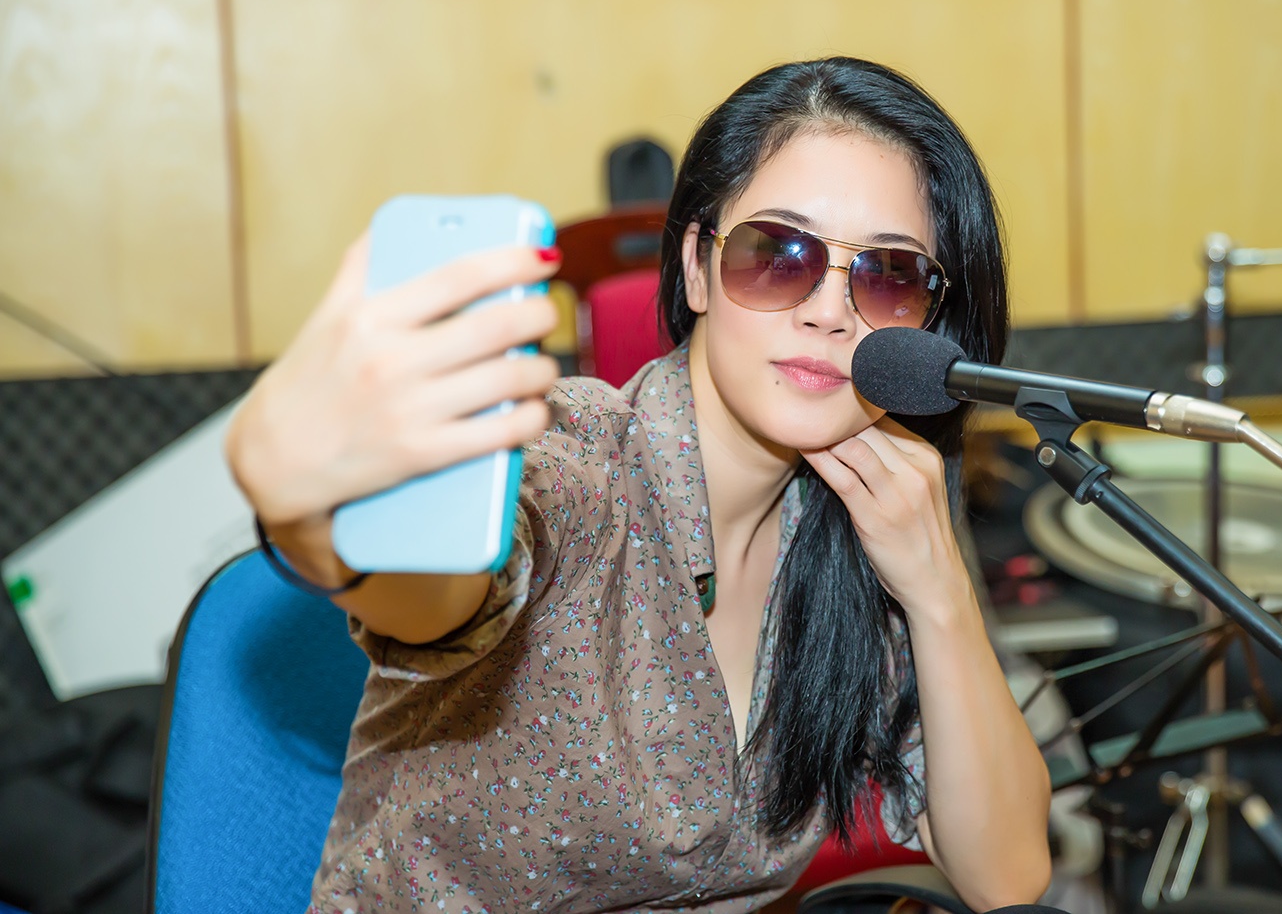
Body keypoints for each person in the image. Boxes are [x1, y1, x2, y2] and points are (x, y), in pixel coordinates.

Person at [225, 57, 1053, 913]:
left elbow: (1009, 878)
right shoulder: (577, 465)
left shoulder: (859, 527)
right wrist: (310, 522)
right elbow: (432, 594)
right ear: (696, 267)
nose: (829, 312)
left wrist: (939, 594)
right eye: (778, 255)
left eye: (887, 276)